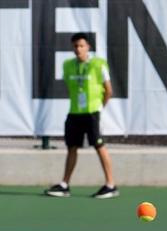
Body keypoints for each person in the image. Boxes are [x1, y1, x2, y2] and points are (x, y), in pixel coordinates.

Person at [46, 33, 118, 199]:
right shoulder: (68, 65)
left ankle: (111, 185)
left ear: (88, 47)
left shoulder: (98, 65)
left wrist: (99, 107)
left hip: (92, 113)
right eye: (75, 46)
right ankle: (64, 185)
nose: (78, 49)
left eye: (81, 46)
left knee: (99, 146)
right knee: (72, 147)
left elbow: (109, 90)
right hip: (74, 113)